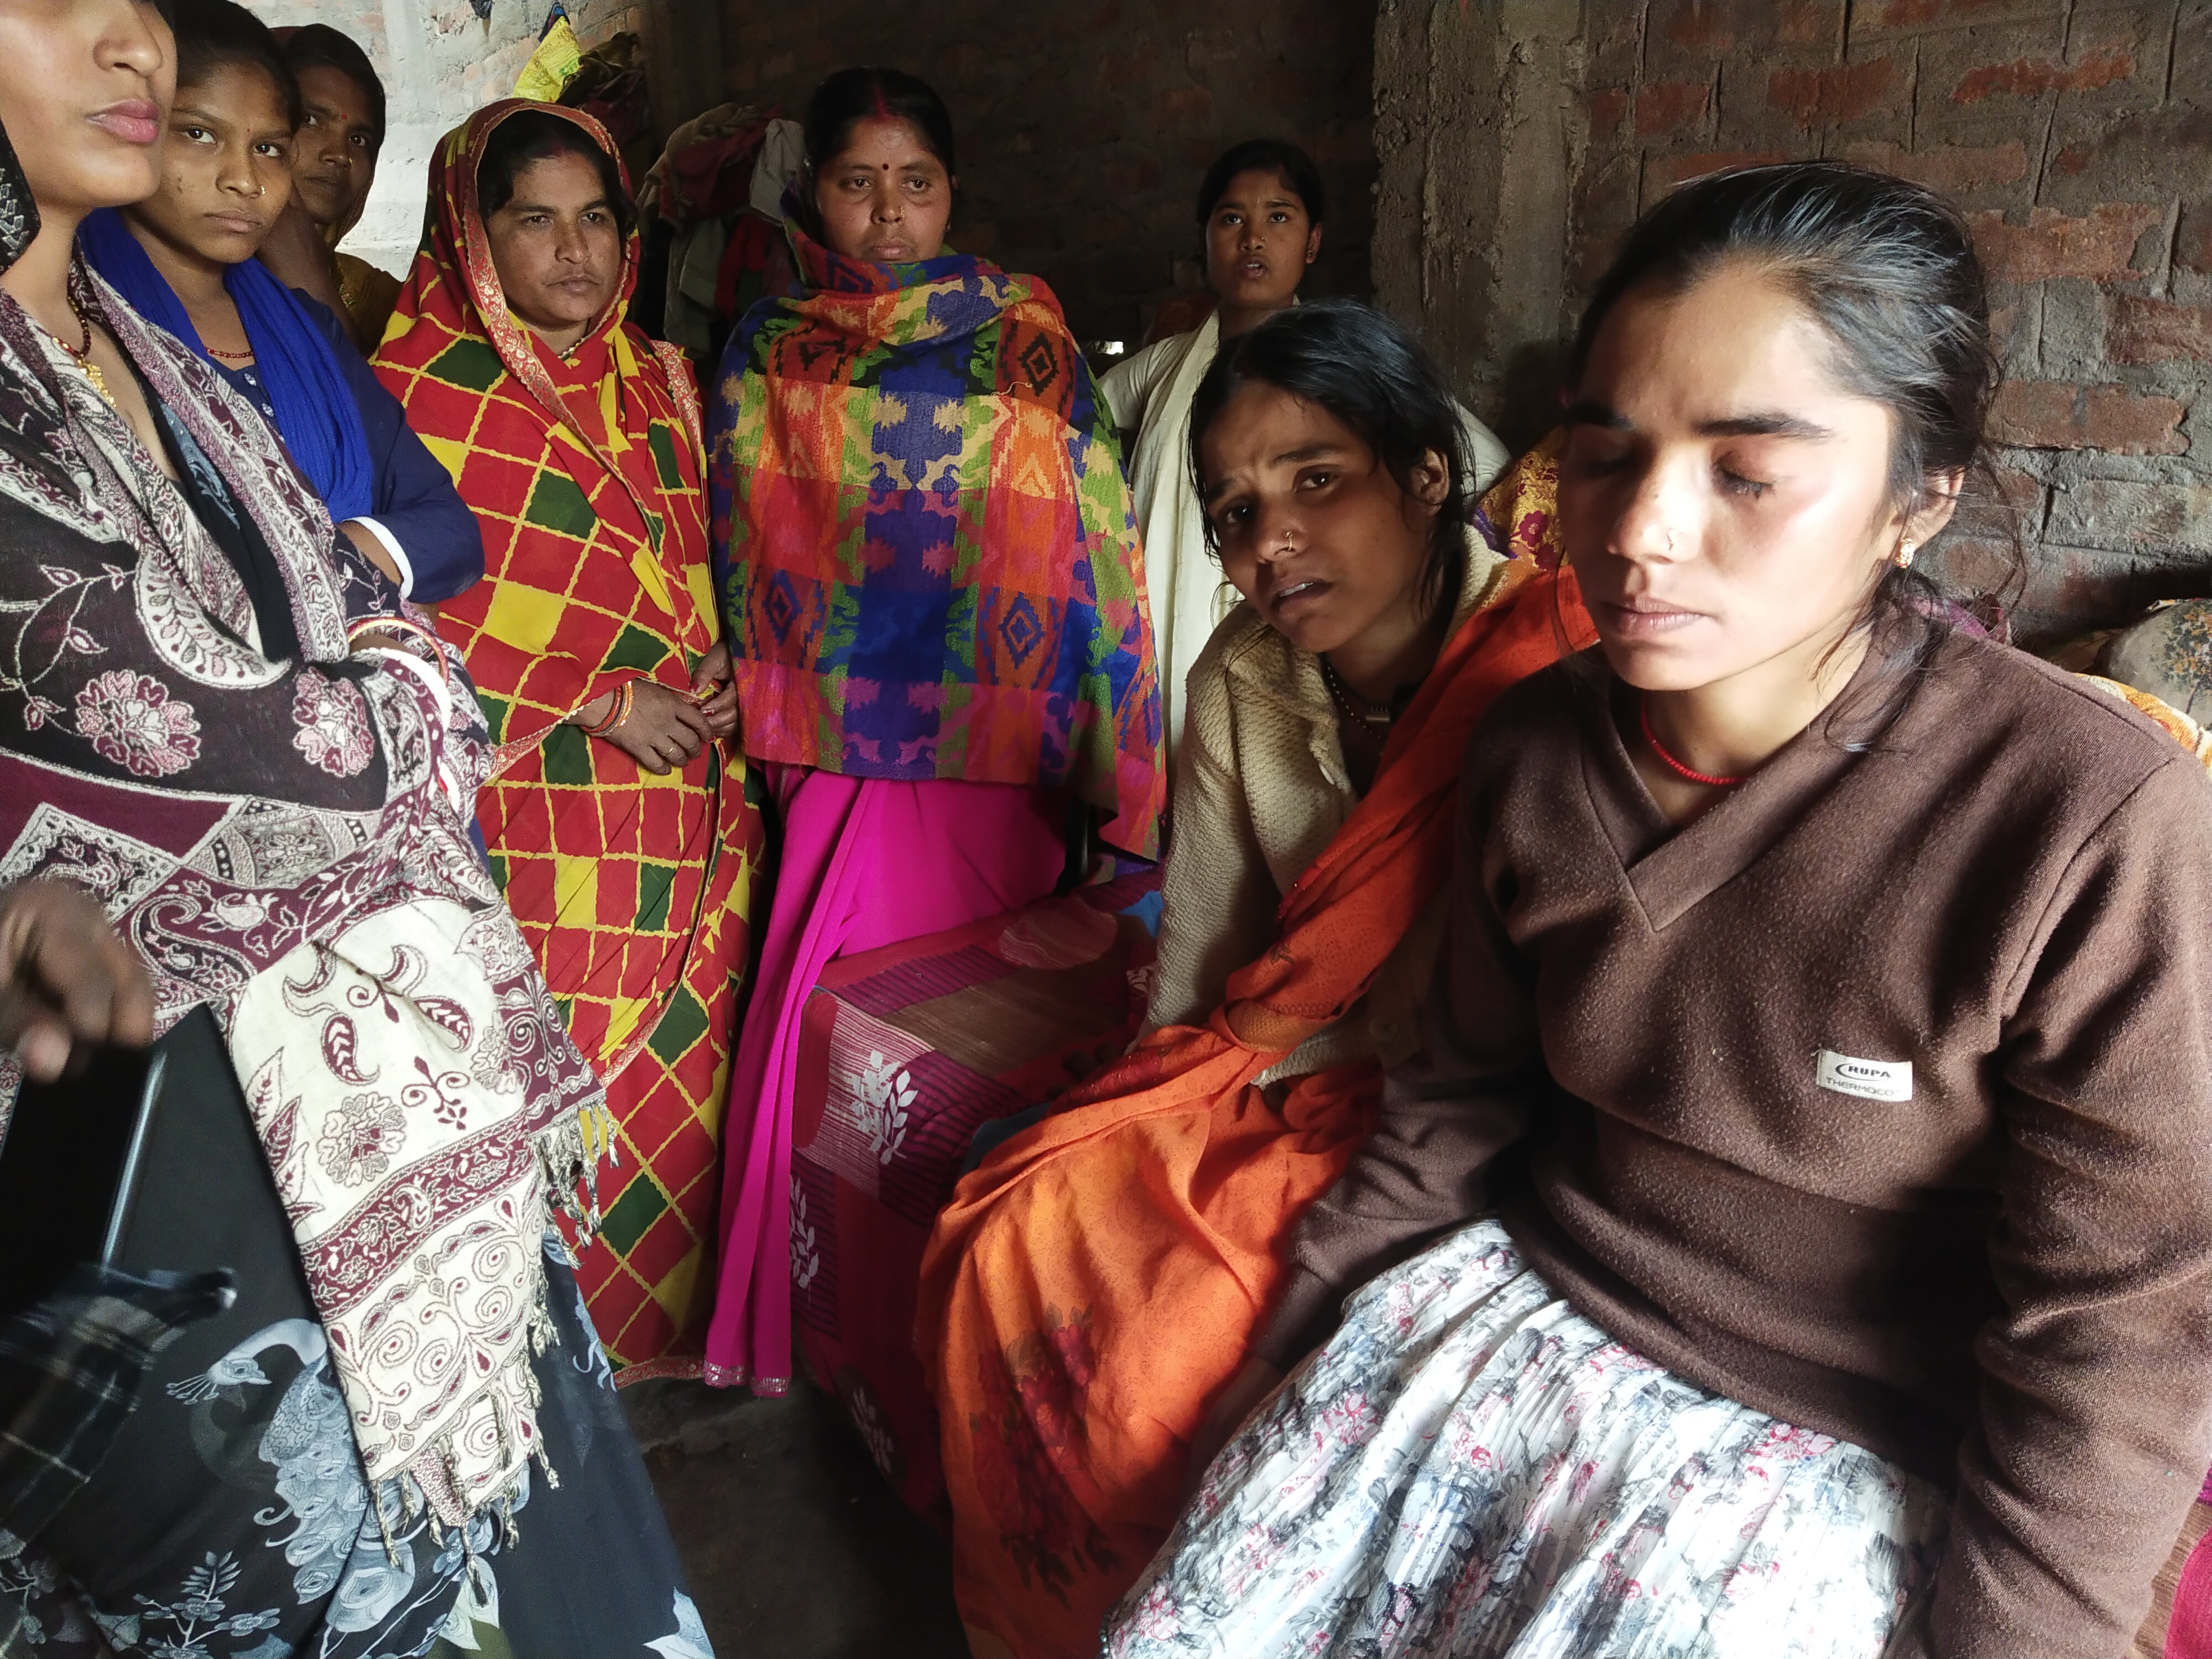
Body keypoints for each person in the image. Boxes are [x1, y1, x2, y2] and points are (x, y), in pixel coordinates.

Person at [1105, 163, 2212, 1659]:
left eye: (1747, 471)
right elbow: (1457, 1109)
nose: (1639, 534)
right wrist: (1286, 1360)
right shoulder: (1531, 752)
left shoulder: (2084, 819)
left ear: (1920, 498)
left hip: (1852, 1437)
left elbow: (2114, 1344)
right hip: (1536, 1310)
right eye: (1608, 458)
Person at [0, 2, 711, 1652]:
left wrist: (345, 690)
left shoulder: (155, 347)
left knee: (521, 1540)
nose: (129, 43)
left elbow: (360, 634)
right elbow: (260, 721)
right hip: (153, 1153)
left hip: (398, 1122)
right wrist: (370, 696)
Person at [917, 300, 1592, 1659]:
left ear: (1423, 475)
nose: (1267, 537)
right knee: (1016, 1221)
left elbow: (1539, 1032)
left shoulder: (1549, 675)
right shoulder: (1245, 674)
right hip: (1285, 1063)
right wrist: (1147, 1104)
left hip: (1470, 1110)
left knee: (1171, 1348)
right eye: (1230, 511)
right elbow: (1211, 938)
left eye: (1315, 479)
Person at [702, 65, 1164, 1400]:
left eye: (916, 183)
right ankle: (822, 1322)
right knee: (831, 1027)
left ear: (953, 191)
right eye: (858, 183)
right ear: (814, 196)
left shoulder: (1026, 333)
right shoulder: (771, 340)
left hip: (1004, 746)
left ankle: (966, 1333)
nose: (888, 213)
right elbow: (742, 540)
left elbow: (1097, 537)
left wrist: (1109, 714)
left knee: (986, 1038)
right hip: (841, 744)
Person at [373, 100, 766, 1382]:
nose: (573, 250)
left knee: (685, 1089)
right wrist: (596, 700)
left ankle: (664, 1351)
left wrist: (718, 663)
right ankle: (552, 1369)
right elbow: (384, 619)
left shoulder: (659, 376)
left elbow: (695, 557)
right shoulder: (409, 393)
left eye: (596, 218)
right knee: (558, 1080)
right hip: (535, 810)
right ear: (471, 234)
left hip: (686, 803)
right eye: (533, 220)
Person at [1099, 139, 1509, 766]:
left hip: (1297, 646)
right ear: (1205, 239)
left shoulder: (1347, 374)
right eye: (1231, 219)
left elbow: (1480, 459)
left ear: (1313, 243)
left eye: (1278, 217)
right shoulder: (1165, 368)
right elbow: (1074, 418)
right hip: (1176, 646)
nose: (1253, 239)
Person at [78, 0, 480, 607]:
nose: (245, 179)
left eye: (269, 148)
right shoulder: (79, 322)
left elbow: (453, 533)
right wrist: (354, 559)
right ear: (136, 127)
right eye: (199, 134)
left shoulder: (307, 329)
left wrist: (312, 561)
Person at [254, 22, 399, 354]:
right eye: (311, 120)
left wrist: (310, 280)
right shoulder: (198, 279)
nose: (339, 155)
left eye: (359, 139)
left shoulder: (382, 302)